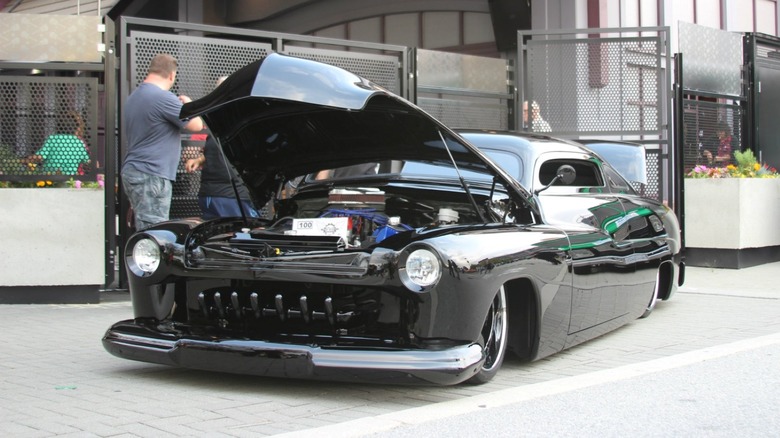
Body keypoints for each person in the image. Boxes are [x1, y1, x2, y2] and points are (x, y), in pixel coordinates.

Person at [122, 53, 203, 231]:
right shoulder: (163, 98)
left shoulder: (134, 97)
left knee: (144, 227)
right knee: (155, 232)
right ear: (172, 75)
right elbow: (196, 125)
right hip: (152, 173)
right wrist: (189, 104)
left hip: (135, 170)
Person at [185, 77, 259, 219]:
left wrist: (200, 159)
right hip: (231, 196)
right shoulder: (240, 121)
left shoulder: (218, 121)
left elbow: (222, 150)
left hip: (212, 195)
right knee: (250, 230)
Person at [26, 111, 90, 175]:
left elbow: (40, 157)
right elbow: (87, 161)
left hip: (49, 177)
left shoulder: (52, 139)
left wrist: (24, 160)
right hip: (71, 178)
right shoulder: (79, 142)